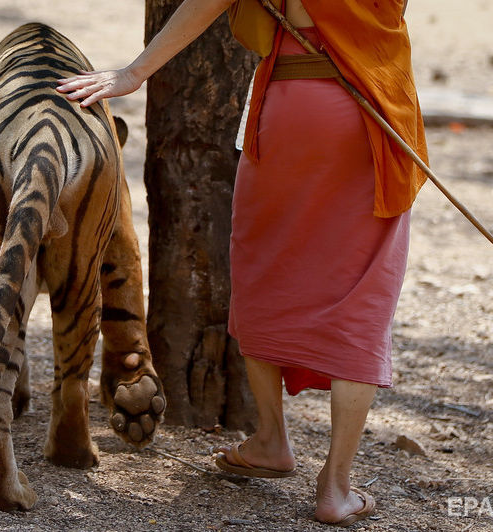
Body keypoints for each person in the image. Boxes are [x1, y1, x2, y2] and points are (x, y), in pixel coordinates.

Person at [57, 0, 427, 526]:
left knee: (265, 272)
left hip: (287, 108)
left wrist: (135, 71)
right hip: (368, 117)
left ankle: (272, 439)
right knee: (361, 296)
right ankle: (336, 486)